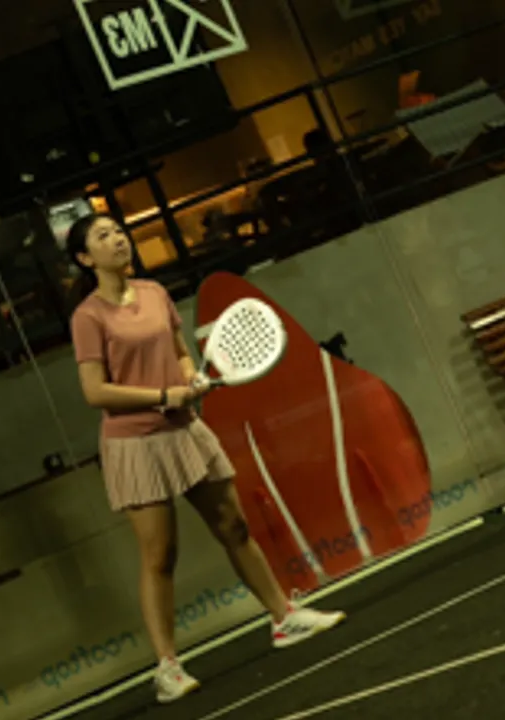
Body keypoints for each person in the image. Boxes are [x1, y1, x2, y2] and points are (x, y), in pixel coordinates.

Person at [66, 213, 346, 704]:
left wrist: (189, 377)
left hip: (184, 429)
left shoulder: (154, 293)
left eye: (118, 231)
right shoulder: (87, 317)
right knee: (160, 556)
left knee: (234, 526)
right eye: (103, 236)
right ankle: (167, 668)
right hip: (135, 444)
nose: (118, 239)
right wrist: (161, 396)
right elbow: (95, 391)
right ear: (86, 258)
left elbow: (180, 352)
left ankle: (284, 618)